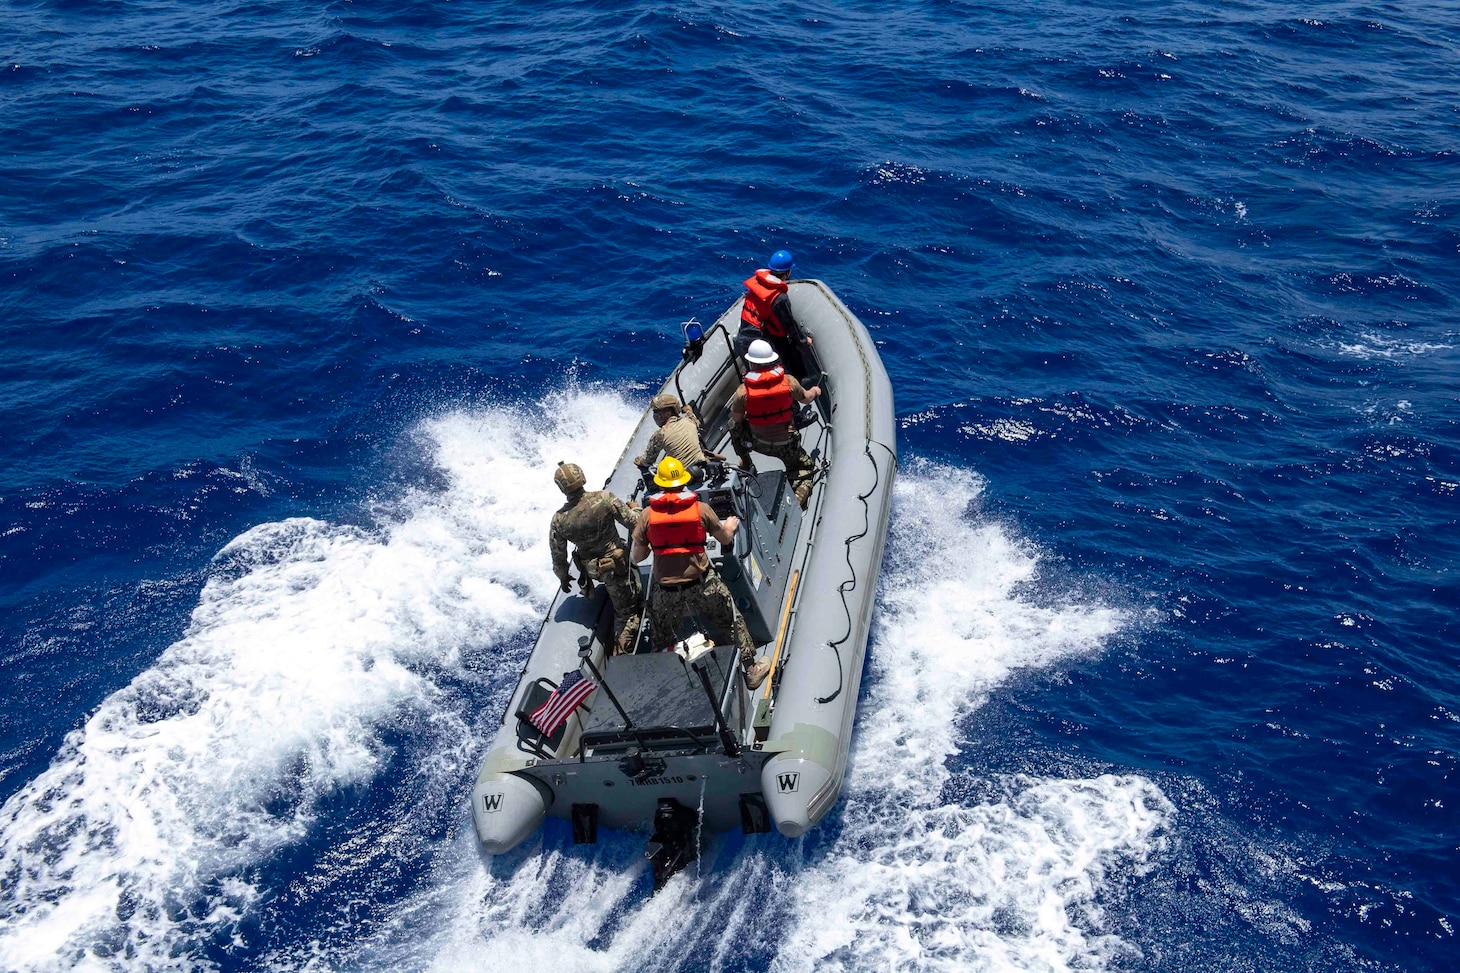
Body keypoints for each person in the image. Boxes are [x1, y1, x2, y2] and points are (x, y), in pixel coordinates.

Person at [630, 457, 769, 690]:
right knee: (731, 621)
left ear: (660, 484)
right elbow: (724, 539)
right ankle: (751, 670)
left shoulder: (647, 515)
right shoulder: (701, 509)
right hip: (702, 584)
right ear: (684, 481)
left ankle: (664, 681)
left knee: (661, 635)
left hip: (666, 590)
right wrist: (730, 527)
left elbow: (637, 557)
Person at [549, 461, 643, 656]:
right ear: (582, 477)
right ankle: (622, 654)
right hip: (617, 567)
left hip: (593, 571)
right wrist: (635, 509)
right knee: (627, 614)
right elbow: (634, 523)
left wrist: (564, 577)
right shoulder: (603, 499)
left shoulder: (559, 519)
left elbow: (558, 556)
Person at [729, 340, 821, 509]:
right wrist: (815, 391)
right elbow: (806, 398)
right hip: (786, 444)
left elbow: (737, 419)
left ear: (750, 362)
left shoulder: (743, 392)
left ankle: (746, 461)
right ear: (772, 361)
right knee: (805, 467)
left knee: (731, 424)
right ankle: (796, 502)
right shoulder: (789, 382)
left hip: (758, 443)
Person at [733, 249, 814, 380]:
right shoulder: (779, 298)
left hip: (743, 341)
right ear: (787, 273)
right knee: (782, 378)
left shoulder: (758, 283)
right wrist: (804, 341)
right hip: (760, 344)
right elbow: (790, 326)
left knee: (758, 379)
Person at [632, 393, 707, 469]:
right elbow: (693, 418)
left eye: (657, 412)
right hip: (702, 466)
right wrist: (688, 410)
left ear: (668, 413)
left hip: (683, 475)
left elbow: (648, 460)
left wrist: (640, 461)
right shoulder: (690, 422)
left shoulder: (660, 434)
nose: (655, 416)